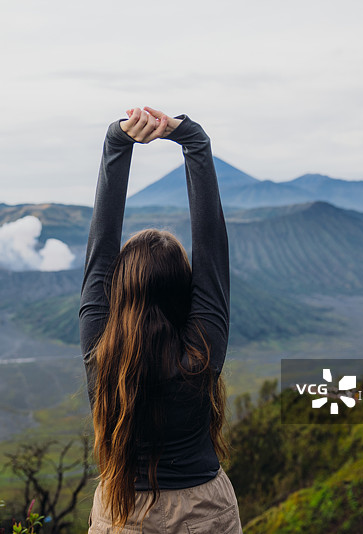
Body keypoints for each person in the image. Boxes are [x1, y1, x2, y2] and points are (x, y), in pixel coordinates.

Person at [80, 107, 242, 533]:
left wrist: (118, 142)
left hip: (121, 511)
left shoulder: (101, 347)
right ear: (185, 290)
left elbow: (100, 247)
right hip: (203, 510)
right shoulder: (202, 349)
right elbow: (212, 247)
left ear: (117, 289)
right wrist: (193, 141)